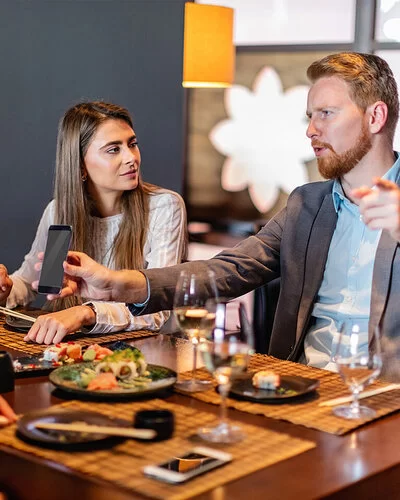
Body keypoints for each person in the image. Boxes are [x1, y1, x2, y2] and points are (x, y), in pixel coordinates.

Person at [40, 53, 400, 370]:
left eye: (326, 113)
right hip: (303, 386)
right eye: (310, 115)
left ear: (375, 116)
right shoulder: (307, 204)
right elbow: (226, 270)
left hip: (386, 400)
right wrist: (117, 284)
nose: (310, 130)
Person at [0, 101, 186, 344]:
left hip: (143, 355)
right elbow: (30, 282)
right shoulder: (58, 211)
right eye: (113, 149)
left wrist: (85, 313)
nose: (131, 158)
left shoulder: (165, 207)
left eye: (132, 144)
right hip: (74, 352)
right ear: (80, 166)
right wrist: (6, 289)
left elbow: (157, 308)